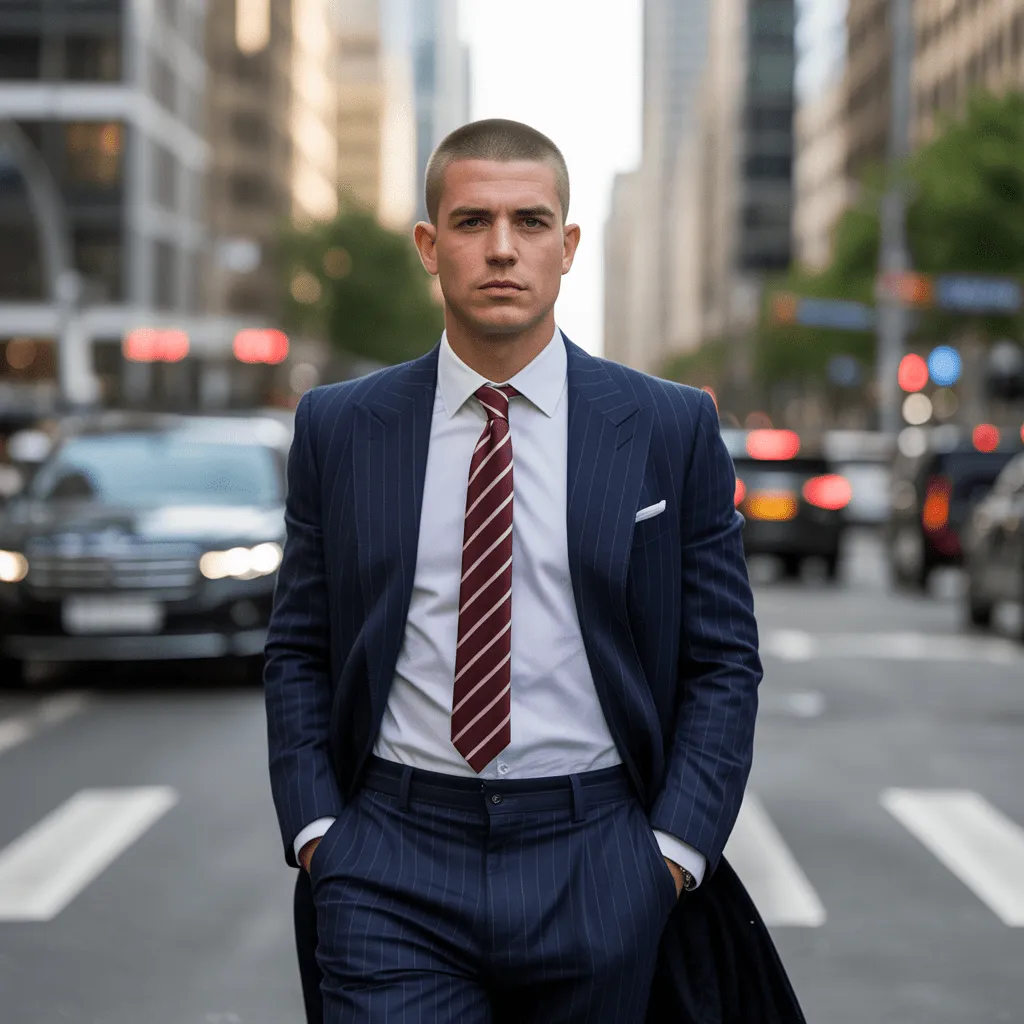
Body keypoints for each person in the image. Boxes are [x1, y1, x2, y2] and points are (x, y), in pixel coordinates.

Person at [266, 118, 803, 1023]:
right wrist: (321, 832)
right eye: (473, 222)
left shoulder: (669, 427)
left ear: (569, 246)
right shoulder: (340, 426)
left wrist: (670, 852)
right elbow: (299, 648)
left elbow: (722, 661)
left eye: (531, 222)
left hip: (599, 850)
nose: (503, 249)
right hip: (392, 854)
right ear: (430, 248)